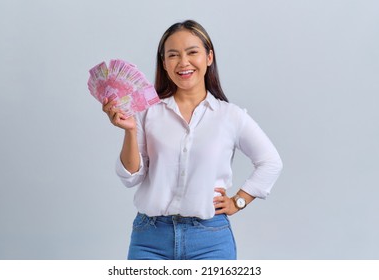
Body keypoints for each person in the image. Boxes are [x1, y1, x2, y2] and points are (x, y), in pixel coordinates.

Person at [102, 20, 283, 260]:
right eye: (173, 55)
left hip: (209, 240)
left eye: (192, 52)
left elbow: (271, 162)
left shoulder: (231, 116)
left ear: (209, 57)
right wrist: (129, 131)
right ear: (164, 63)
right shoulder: (147, 112)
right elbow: (131, 176)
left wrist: (239, 200)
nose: (183, 62)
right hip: (150, 239)